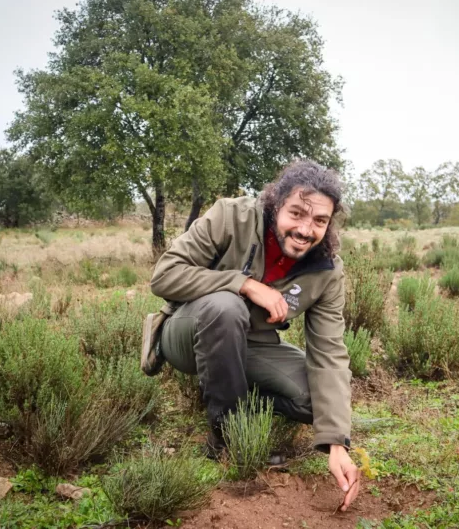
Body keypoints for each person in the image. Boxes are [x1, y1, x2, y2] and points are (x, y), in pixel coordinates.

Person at [141, 160, 360, 511]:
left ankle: (230, 392)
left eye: (320, 220)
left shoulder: (328, 270)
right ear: (276, 204)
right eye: (297, 213)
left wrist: (338, 444)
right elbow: (164, 276)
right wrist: (243, 284)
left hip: (253, 345)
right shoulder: (230, 215)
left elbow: (329, 353)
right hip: (188, 330)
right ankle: (226, 438)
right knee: (226, 308)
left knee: (312, 400)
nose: (306, 229)